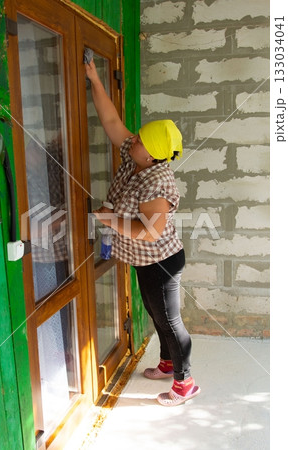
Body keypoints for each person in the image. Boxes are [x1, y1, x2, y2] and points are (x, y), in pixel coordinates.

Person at [85, 58, 200, 406]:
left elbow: (150, 233)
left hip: (161, 260)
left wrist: (108, 219)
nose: (132, 138)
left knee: (169, 319)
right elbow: (111, 120)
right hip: (144, 259)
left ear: (152, 157)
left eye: (139, 140)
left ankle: (185, 383)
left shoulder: (157, 180)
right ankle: (167, 363)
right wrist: (94, 78)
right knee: (154, 313)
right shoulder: (136, 157)